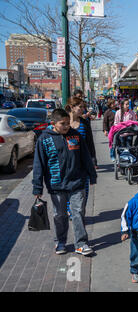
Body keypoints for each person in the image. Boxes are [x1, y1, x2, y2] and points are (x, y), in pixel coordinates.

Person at [32, 109, 97, 256]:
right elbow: (38, 164)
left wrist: (92, 175)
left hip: (77, 183)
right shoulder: (44, 139)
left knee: (78, 213)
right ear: (53, 123)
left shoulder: (76, 135)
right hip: (56, 185)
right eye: (63, 124)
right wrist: (37, 186)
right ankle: (60, 242)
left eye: (68, 123)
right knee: (59, 215)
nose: (67, 126)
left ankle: (81, 243)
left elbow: (85, 156)